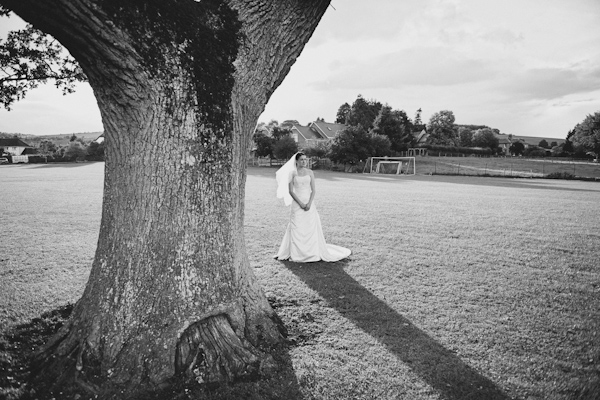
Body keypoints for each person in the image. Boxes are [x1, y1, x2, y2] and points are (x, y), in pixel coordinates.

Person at [275, 152, 351, 262]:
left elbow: (313, 190)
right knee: (297, 226)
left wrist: (309, 203)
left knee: (310, 227)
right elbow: (291, 191)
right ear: (296, 161)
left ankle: (312, 252)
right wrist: (300, 203)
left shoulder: (310, 172)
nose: (304, 161)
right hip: (297, 203)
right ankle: (297, 253)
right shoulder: (292, 173)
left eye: (305, 159)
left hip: (309, 203)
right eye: (301, 159)